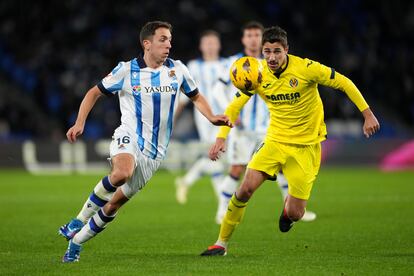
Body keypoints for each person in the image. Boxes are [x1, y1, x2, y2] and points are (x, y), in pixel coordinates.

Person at [58, 21, 232, 263]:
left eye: (170, 39)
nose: (169, 44)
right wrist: (79, 123)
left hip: (155, 154)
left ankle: (75, 243)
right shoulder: (126, 71)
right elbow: (93, 93)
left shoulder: (178, 70)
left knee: (113, 206)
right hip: (128, 135)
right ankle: (77, 221)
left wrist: (212, 117)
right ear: (146, 43)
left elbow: (196, 96)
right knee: (121, 173)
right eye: (163, 39)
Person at [200, 25, 380, 256]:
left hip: (306, 148)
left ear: (286, 49)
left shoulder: (306, 68)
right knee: (244, 189)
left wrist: (367, 113)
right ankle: (221, 243)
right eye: (267, 52)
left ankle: (288, 214)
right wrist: (221, 138)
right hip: (275, 142)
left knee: (296, 213)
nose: (271, 57)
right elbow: (233, 108)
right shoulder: (257, 73)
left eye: (277, 51)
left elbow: (344, 82)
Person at [213, 21, 316, 224]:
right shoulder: (233, 63)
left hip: (269, 127)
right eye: (249, 35)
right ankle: (221, 209)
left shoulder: (270, 62)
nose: (253, 39)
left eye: (256, 35)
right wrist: (231, 111)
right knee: (237, 169)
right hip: (242, 129)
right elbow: (217, 91)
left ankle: (291, 208)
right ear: (243, 39)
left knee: (282, 168)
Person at [174, 30, 228, 204]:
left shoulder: (227, 65)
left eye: (213, 43)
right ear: (201, 46)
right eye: (207, 43)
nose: (211, 46)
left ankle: (186, 181)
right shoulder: (194, 67)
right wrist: (173, 117)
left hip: (227, 116)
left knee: (217, 157)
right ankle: (223, 204)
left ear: (219, 45)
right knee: (216, 156)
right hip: (205, 118)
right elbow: (185, 95)